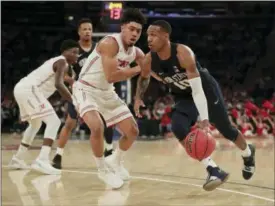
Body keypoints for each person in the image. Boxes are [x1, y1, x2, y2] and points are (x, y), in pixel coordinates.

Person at [134, 20, 256, 191]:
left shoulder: (183, 53)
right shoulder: (148, 60)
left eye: (153, 34)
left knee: (225, 128)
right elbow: (144, 77)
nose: (149, 39)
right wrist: (138, 97)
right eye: (148, 35)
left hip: (204, 89)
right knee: (178, 127)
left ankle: (248, 153)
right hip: (183, 95)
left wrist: (204, 119)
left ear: (165, 36)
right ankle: (213, 169)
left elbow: (198, 91)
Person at [72, 8, 146, 189]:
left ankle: (115, 160)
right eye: (131, 29)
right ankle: (102, 169)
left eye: (138, 31)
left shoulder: (137, 53)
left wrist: (138, 98)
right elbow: (112, 76)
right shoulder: (109, 43)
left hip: (107, 92)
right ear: (122, 28)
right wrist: (139, 69)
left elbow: (147, 75)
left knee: (133, 131)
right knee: (97, 127)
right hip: (86, 89)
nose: (135, 33)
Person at [9, 40, 79, 175]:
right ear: (65, 52)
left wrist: (71, 85)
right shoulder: (62, 61)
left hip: (22, 88)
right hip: (29, 89)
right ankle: (42, 159)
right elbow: (59, 85)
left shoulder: (59, 64)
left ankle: (18, 159)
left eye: (78, 53)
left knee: (35, 124)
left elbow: (60, 83)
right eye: (74, 52)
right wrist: (74, 101)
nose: (76, 55)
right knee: (54, 121)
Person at [52, 18, 114, 170]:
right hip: (80, 92)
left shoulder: (98, 48)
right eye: (84, 29)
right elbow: (63, 74)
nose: (87, 31)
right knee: (70, 123)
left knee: (107, 119)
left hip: (98, 90)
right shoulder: (73, 50)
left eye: (90, 29)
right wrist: (72, 81)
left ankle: (109, 150)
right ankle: (58, 155)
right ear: (79, 32)